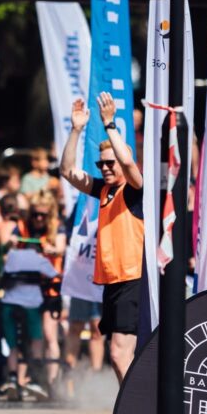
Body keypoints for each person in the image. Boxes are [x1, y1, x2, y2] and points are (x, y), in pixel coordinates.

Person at [60, 94, 144, 382]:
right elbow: (68, 172)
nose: (105, 168)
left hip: (133, 278)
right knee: (118, 355)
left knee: (121, 354)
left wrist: (109, 123)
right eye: (101, 164)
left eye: (110, 163)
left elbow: (130, 165)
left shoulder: (133, 190)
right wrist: (76, 130)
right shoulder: (105, 191)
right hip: (113, 280)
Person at [13, 190, 67, 388]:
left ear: (50, 214)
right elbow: (10, 242)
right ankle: (26, 379)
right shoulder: (22, 226)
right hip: (26, 287)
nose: (37, 218)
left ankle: (52, 381)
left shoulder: (57, 227)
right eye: (35, 213)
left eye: (42, 215)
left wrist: (52, 250)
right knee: (28, 334)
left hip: (49, 289)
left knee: (49, 334)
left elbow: (61, 247)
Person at [0, 245, 59, 401]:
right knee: (36, 339)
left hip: (9, 303)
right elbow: (54, 275)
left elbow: (1, 275)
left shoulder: (11, 255)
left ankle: (12, 378)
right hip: (31, 305)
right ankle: (36, 378)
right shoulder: (39, 258)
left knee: (12, 344)